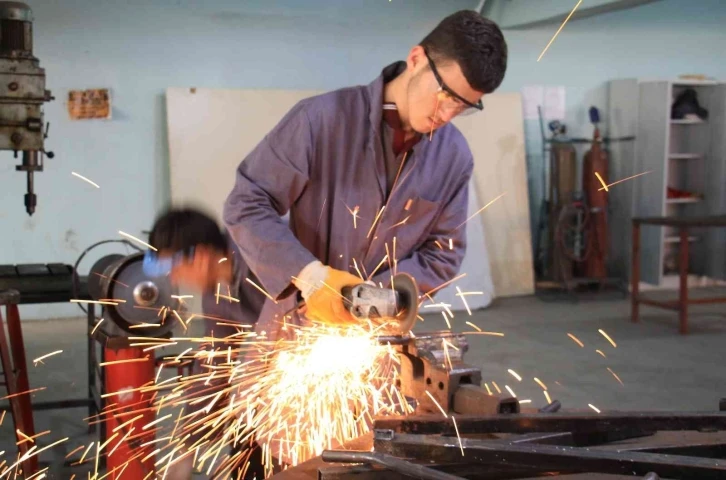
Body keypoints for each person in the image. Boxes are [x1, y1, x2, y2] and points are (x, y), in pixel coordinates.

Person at [223, 10, 508, 342]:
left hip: (376, 338)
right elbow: (247, 204)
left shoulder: (453, 156)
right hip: (295, 330)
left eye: (462, 106)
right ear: (416, 59)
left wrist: (369, 299)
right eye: (444, 94)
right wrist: (311, 278)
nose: (447, 114)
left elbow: (443, 253)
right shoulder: (320, 120)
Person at [143, 207, 266, 480]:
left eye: (173, 268)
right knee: (246, 434)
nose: (173, 278)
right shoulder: (216, 297)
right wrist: (186, 449)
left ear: (199, 256)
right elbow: (214, 366)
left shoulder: (266, 259)